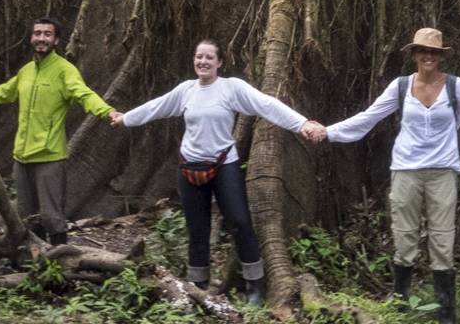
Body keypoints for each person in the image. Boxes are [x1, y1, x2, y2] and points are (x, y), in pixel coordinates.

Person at [317, 27, 460, 324]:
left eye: (434, 52)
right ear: (414, 54)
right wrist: (328, 132)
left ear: (441, 57)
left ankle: (446, 314)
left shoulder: (455, 86)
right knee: (404, 237)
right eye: (423, 51)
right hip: (405, 171)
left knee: (442, 239)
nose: (428, 56)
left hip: (442, 172)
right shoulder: (400, 87)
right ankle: (400, 304)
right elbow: (368, 118)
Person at [114, 39, 325, 305]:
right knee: (197, 229)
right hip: (190, 166)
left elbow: (267, 104)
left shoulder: (231, 88)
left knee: (239, 222)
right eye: (198, 56)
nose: (202, 62)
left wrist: (301, 124)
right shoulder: (186, 91)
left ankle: (254, 285)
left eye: (208, 58)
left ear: (220, 62)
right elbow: (156, 107)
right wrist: (125, 118)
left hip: (224, 165)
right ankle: (197, 286)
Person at [0, 18, 120, 245]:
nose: (41, 38)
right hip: (22, 157)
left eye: (47, 34)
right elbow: (2, 93)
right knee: (27, 217)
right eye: (37, 33)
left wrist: (107, 112)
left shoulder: (64, 71)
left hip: (49, 156)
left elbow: (84, 94)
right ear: (32, 38)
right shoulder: (26, 71)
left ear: (56, 40)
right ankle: (36, 261)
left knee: (52, 217)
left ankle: (60, 263)